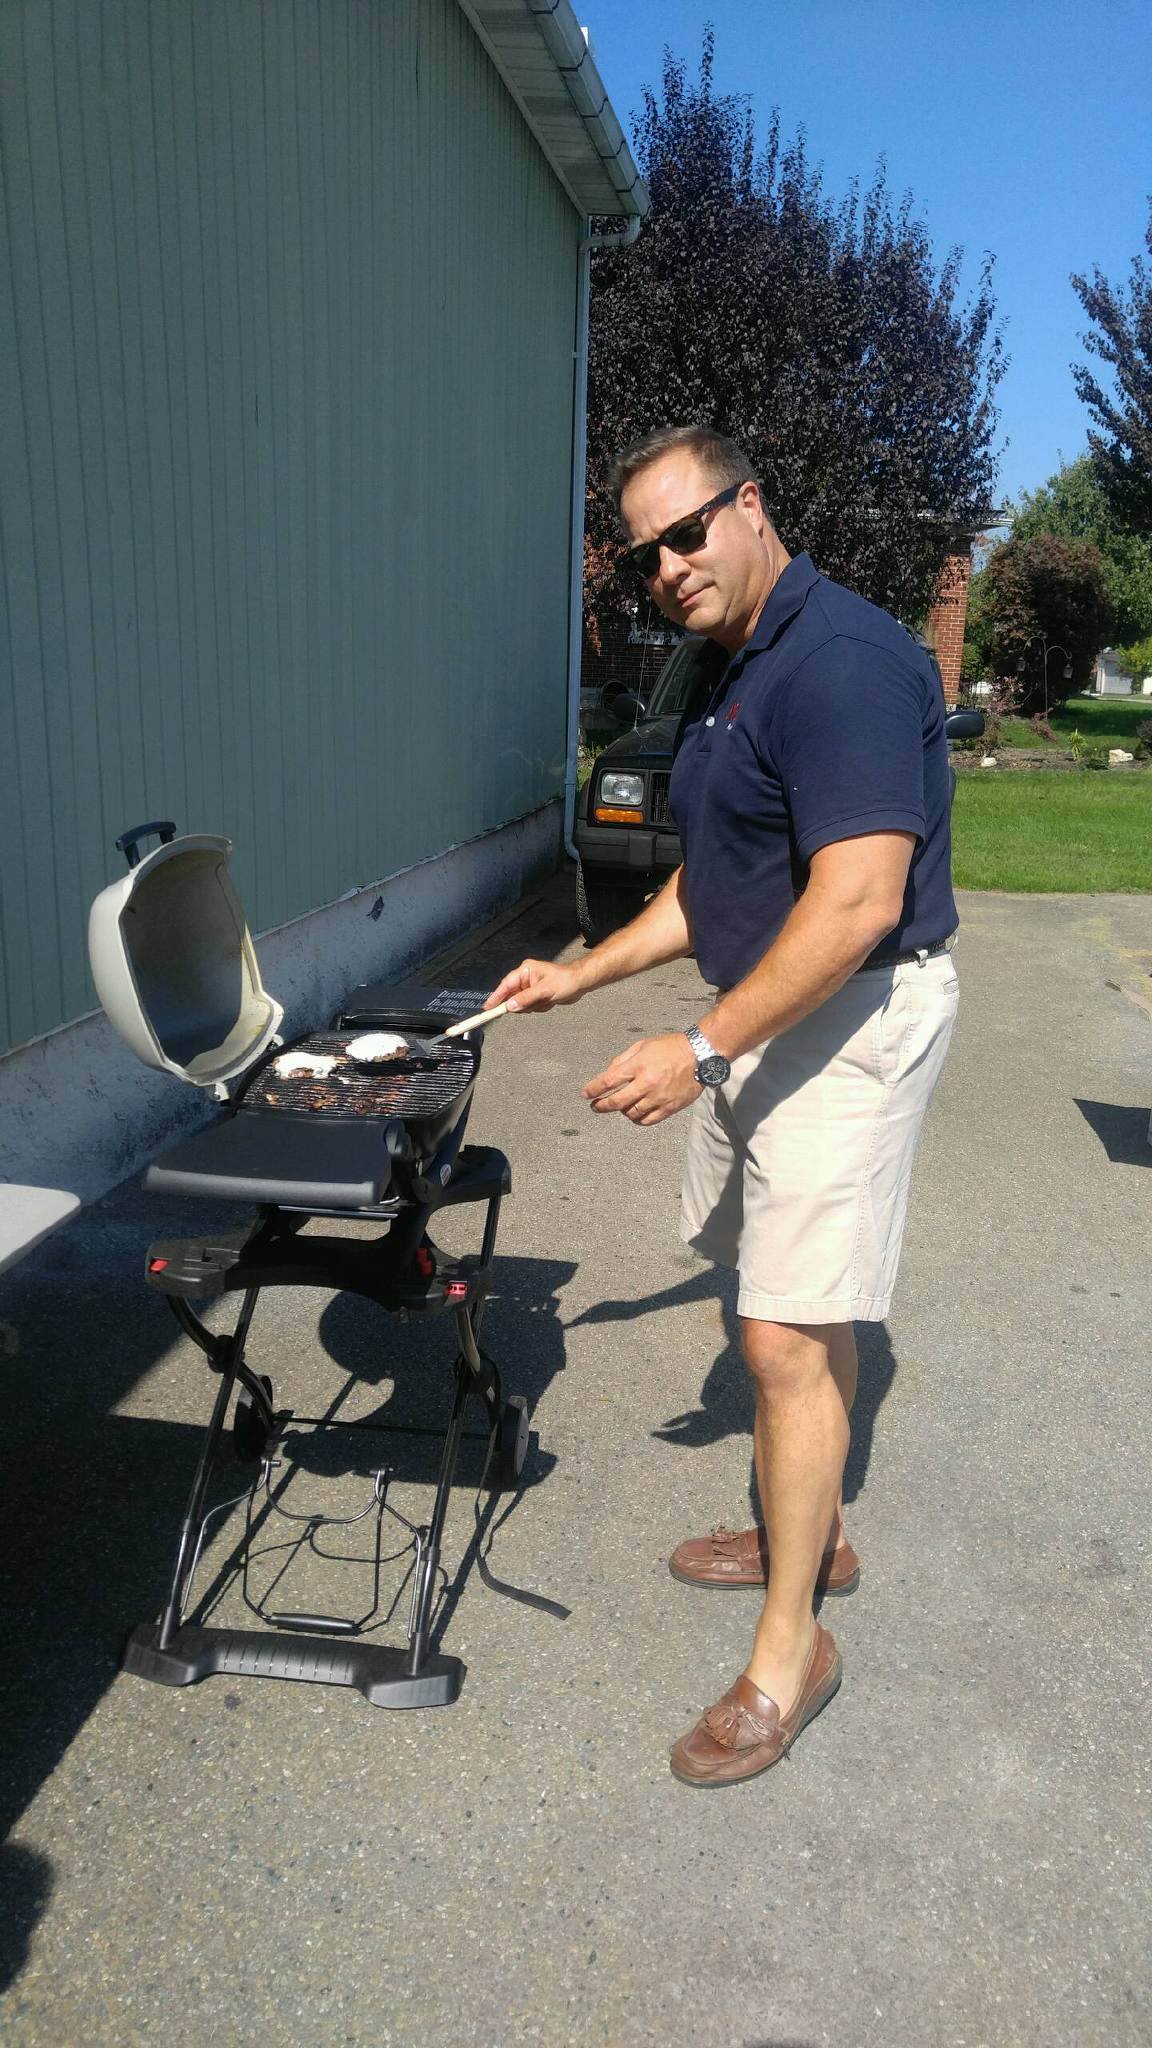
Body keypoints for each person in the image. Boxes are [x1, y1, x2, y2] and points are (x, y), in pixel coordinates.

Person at [486, 426, 959, 1788]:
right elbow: (709, 886)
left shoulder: (845, 661)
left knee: (781, 1336)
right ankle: (814, 1529)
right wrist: (580, 973)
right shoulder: (729, 665)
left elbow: (858, 903)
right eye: (646, 554)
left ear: (752, 505)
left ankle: (790, 1654)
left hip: (852, 1017)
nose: (669, 567)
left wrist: (696, 1046)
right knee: (780, 1307)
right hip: (768, 1014)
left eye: (688, 532)